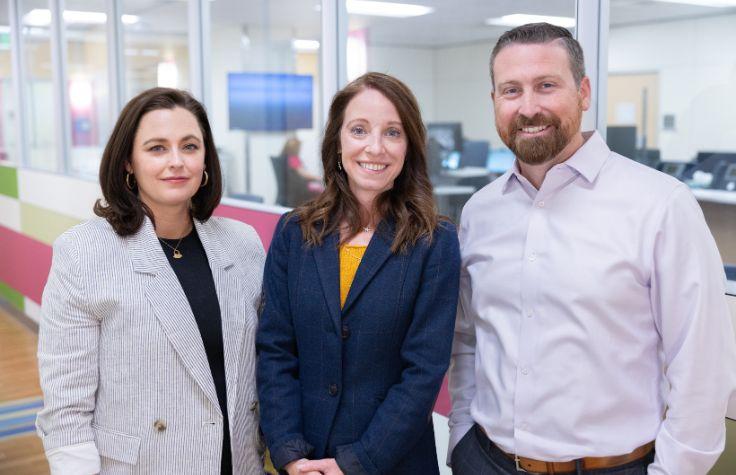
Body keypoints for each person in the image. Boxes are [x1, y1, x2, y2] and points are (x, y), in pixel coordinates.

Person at [448, 22, 736, 475]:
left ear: (583, 92)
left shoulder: (660, 205)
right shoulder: (480, 212)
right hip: (486, 461)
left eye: (547, 85)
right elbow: (468, 339)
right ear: (494, 102)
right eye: (511, 90)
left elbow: (703, 365)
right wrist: (461, 436)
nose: (528, 107)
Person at [36, 88, 265, 474]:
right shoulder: (83, 253)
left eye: (190, 146)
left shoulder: (244, 244)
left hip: (238, 463)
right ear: (128, 162)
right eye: (157, 148)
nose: (176, 162)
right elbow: (66, 410)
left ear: (206, 158)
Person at [257, 72, 461, 475]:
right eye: (359, 130)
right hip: (306, 459)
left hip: (393, 462)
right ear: (337, 142)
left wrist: (356, 463)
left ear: (409, 147)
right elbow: (275, 350)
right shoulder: (294, 233)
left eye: (392, 132)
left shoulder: (434, 242)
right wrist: (290, 453)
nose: (375, 147)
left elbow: (422, 373)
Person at [280, 137, 324, 207]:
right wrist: (319, 178)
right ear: (295, 148)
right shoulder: (293, 158)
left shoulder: (284, 158)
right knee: (321, 189)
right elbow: (303, 174)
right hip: (300, 188)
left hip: (293, 189)